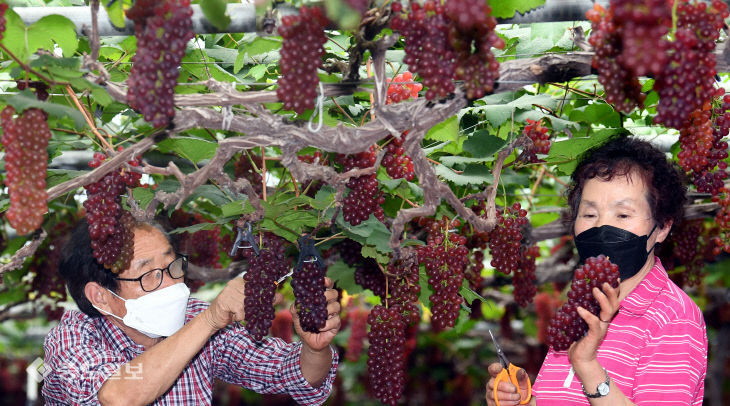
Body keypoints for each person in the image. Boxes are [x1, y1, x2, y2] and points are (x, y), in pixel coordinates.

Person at [486, 136, 708, 405]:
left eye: (623, 215)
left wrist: (588, 366)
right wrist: (523, 402)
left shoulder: (674, 318)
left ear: (662, 228)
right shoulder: (582, 306)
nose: (602, 227)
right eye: (589, 215)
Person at [42, 220, 341, 405]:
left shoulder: (194, 317)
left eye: (172, 266)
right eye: (149, 275)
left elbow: (292, 375)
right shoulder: (71, 339)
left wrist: (314, 349)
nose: (172, 282)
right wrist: (210, 320)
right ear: (101, 297)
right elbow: (118, 396)